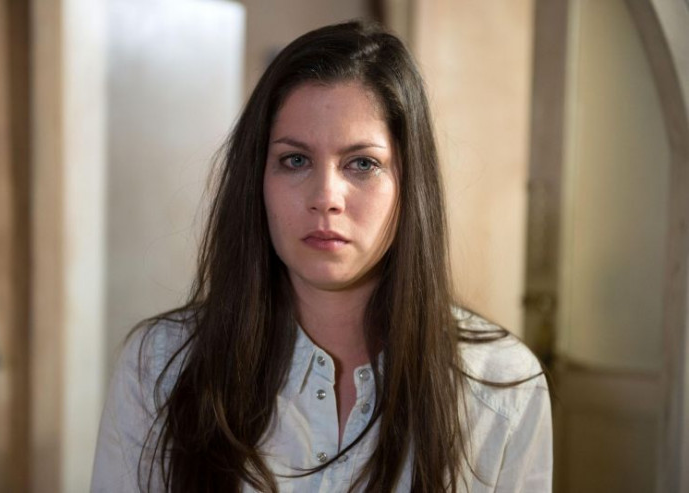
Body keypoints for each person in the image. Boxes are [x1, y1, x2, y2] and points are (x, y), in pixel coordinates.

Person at [91, 20, 552, 493]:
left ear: (410, 184)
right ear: (257, 180)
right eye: (295, 160)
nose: (326, 197)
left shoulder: (503, 386)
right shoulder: (158, 367)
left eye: (362, 164)